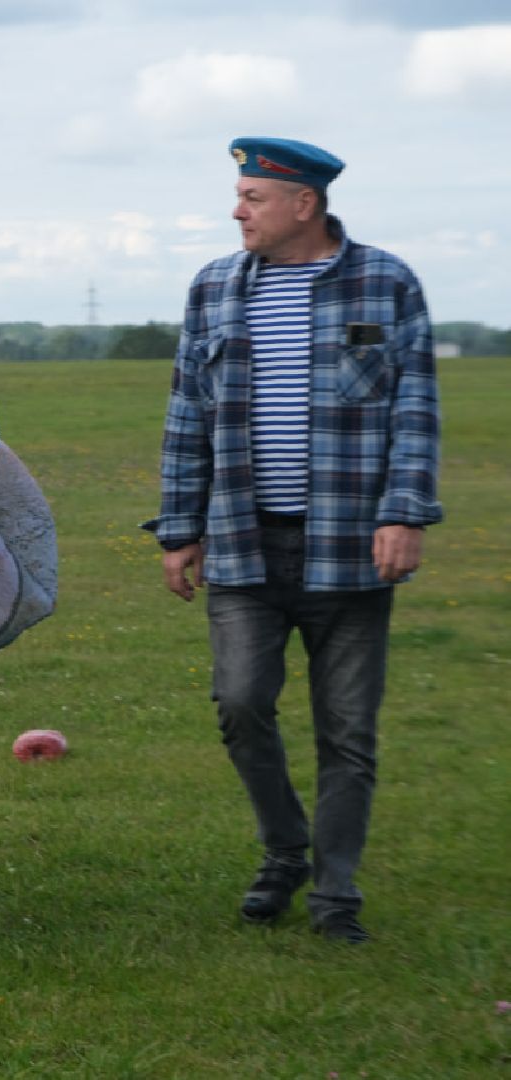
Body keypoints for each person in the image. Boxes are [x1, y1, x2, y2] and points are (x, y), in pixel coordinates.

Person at [150, 137, 442, 944]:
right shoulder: (211, 288)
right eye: (238, 195)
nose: (235, 210)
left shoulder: (386, 283)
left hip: (350, 550)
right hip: (243, 544)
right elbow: (186, 417)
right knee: (240, 703)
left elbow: (413, 410)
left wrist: (403, 511)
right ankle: (285, 849)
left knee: (346, 730)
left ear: (302, 206)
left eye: (252, 197)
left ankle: (334, 896)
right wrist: (179, 530)